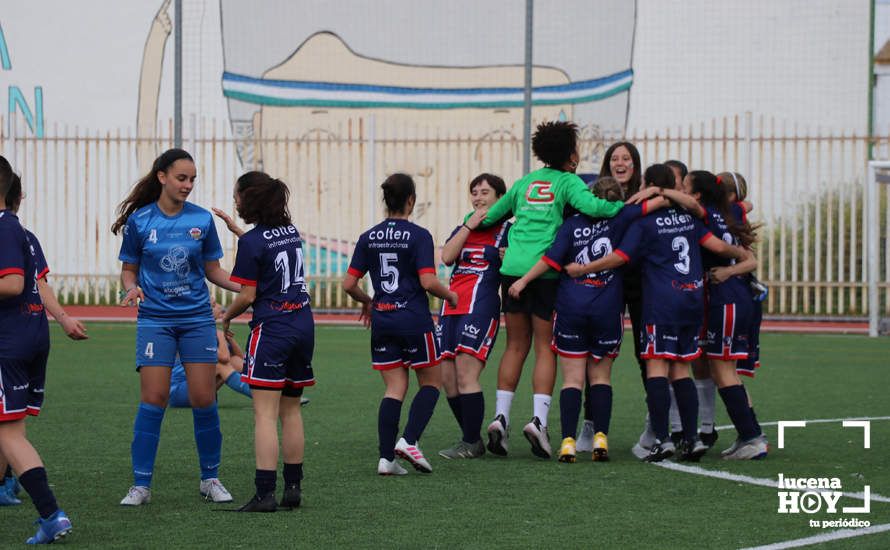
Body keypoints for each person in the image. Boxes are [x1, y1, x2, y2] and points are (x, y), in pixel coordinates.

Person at [566, 164, 751, 462]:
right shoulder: (690, 218)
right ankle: (691, 438)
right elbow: (715, 245)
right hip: (691, 298)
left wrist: (584, 268)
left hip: (661, 302)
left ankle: (662, 439)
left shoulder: (645, 223)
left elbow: (620, 257)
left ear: (648, 185)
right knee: (681, 368)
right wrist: (743, 256)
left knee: (656, 369)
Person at [478, 121, 624, 460]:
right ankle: (538, 422)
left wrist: (475, 220)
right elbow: (595, 208)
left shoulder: (524, 182)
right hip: (543, 272)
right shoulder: (568, 182)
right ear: (570, 153)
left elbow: (492, 216)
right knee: (545, 348)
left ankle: (500, 417)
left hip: (511, 270)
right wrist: (623, 208)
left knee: (515, 345)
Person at [112, 148, 240, 506]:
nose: (188, 185)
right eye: (182, 178)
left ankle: (210, 479)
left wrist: (244, 288)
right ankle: (141, 485)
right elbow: (128, 269)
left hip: (197, 319)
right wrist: (130, 288)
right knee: (154, 399)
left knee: (203, 398)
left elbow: (214, 270)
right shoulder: (140, 221)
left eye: (192, 179)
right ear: (162, 177)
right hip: (155, 320)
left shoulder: (201, 219)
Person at [508, 176, 667, 462]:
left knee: (572, 379)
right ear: (619, 197)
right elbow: (659, 203)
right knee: (601, 377)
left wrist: (522, 281)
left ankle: (568, 442)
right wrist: (652, 190)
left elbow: (550, 260)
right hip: (607, 308)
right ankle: (601, 440)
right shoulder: (622, 214)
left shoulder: (571, 225)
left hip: (572, 308)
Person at [342, 173, 458, 475]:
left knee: (394, 387)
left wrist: (369, 301)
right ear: (411, 200)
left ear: (386, 200)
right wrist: (451, 296)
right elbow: (428, 281)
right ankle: (409, 440)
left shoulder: (369, 236)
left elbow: (348, 284)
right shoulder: (419, 235)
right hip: (413, 319)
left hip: (383, 318)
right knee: (432, 382)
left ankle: (386, 459)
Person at [219, 171, 315, 511]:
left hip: (273, 330)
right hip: (303, 326)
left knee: (264, 414)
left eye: (238, 196)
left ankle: (264, 494)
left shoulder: (252, 243)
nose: (236, 201)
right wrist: (240, 232)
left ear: (251, 200)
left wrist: (226, 316)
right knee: (290, 411)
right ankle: (292, 489)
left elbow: (247, 295)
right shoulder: (290, 232)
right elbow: (270, 254)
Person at [0, 172, 88, 508]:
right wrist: (63, 319)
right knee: (9, 422)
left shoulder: (10, 231)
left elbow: (19, 283)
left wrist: (63, 318)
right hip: (31, 334)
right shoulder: (22, 234)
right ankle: (7, 482)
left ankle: (43, 507)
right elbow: (39, 283)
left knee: (9, 426)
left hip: (12, 338)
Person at [576, 141, 645, 453]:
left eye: (626, 158)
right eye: (614, 158)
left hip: (642, 284)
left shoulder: (647, 195)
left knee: (647, 354)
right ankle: (590, 425)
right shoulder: (594, 195)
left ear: (635, 164)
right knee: (597, 357)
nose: (620, 163)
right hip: (604, 283)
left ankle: (655, 424)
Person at [436, 174, 510, 459]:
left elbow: (514, 263)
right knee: (447, 377)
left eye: (485, 192)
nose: (478, 197)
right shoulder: (463, 227)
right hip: (451, 306)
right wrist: (468, 226)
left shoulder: (508, 230)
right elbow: (447, 257)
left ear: (500, 198)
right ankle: (472, 438)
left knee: (467, 373)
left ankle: (469, 443)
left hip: (480, 307)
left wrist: (508, 256)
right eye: (474, 193)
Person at [167, 299, 252, 408]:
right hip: (178, 393)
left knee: (235, 361)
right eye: (214, 305)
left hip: (196, 388)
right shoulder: (196, 333)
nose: (220, 306)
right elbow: (225, 359)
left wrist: (230, 339)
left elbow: (241, 361)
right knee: (219, 366)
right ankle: (262, 397)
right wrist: (221, 336)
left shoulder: (209, 331)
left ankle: (265, 392)